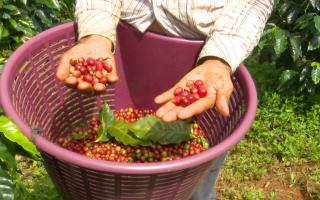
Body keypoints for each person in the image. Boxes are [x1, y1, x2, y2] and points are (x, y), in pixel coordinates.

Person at [56, 1, 273, 199]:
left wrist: (218, 60)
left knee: (197, 183)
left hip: (205, 56)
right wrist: (95, 33)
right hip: (124, 44)